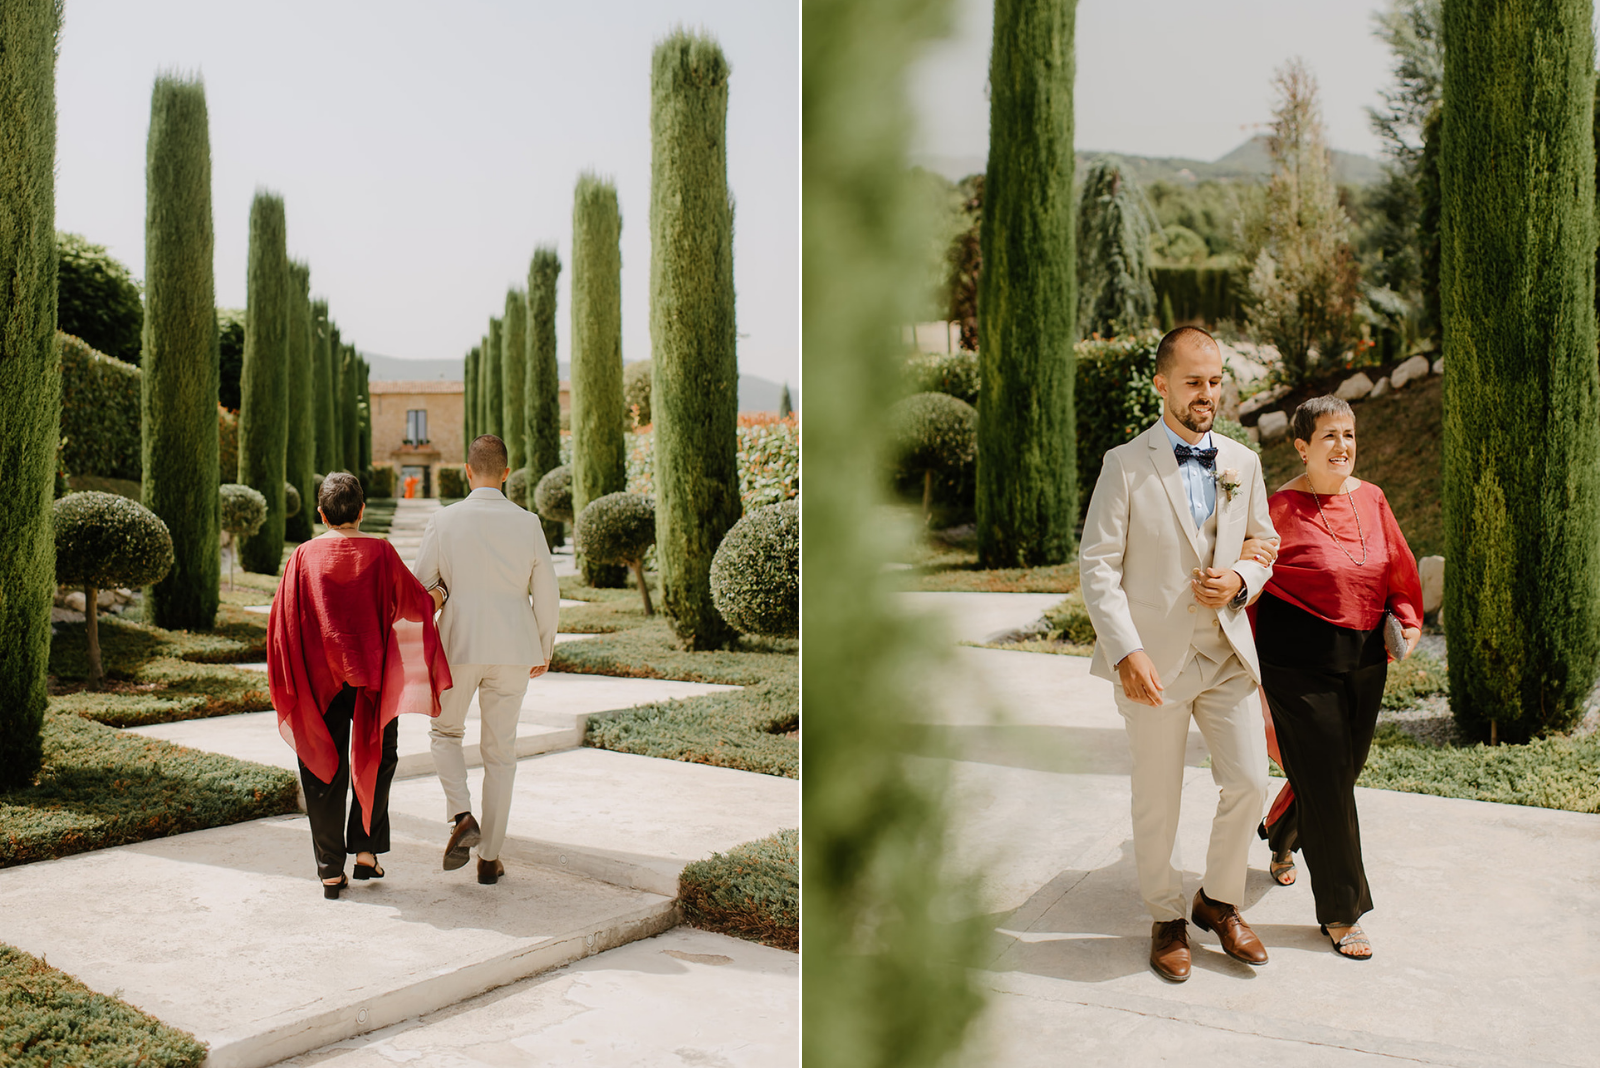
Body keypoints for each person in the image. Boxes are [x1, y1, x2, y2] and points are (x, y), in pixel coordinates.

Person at [1079, 325, 1281, 983]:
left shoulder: (1242, 463)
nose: (1207, 394)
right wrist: (1126, 651)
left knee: (1251, 781)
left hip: (1225, 654)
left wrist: (1242, 580)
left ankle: (1218, 901)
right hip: (1154, 664)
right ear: (1162, 384)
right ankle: (1167, 915)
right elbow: (1098, 566)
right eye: (1194, 382)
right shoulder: (1124, 463)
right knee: (1158, 798)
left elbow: (1263, 543)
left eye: (1215, 381)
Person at [1252, 395, 1422, 960]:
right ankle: (1343, 912)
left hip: (1364, 657)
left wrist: (1406, 616)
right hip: (1294, 659)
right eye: (1329, 436)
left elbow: (1397, 566)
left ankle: (1280, 835)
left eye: (1349, 435)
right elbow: (1249, 581)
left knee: (1339, 774)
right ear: (1302, 447)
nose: (1342, 446)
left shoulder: (1373, 498)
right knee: (1327, 779)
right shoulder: (1277, 508)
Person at [268, 472, 453, 899]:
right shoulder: (381, 553)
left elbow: (284, 619)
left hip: (320, 677)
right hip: (372, 675)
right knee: (380, 756)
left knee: (322, 766)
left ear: (321, 513)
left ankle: (331, 870)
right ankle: (366, 851)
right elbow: (417, 604)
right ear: (362, 510)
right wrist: (441, 592)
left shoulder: (301, 557)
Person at [413, 434, 561, 885]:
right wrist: (543, 646)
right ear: (506, 473)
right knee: (501, 754)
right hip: (515, 649)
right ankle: (490, 860)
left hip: (458, 645)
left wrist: (444, 593)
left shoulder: (444, 521)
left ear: (466, 470)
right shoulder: (529, 522)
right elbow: (549, 594)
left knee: (444, 733)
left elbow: (420, 591)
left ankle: (461, 815)